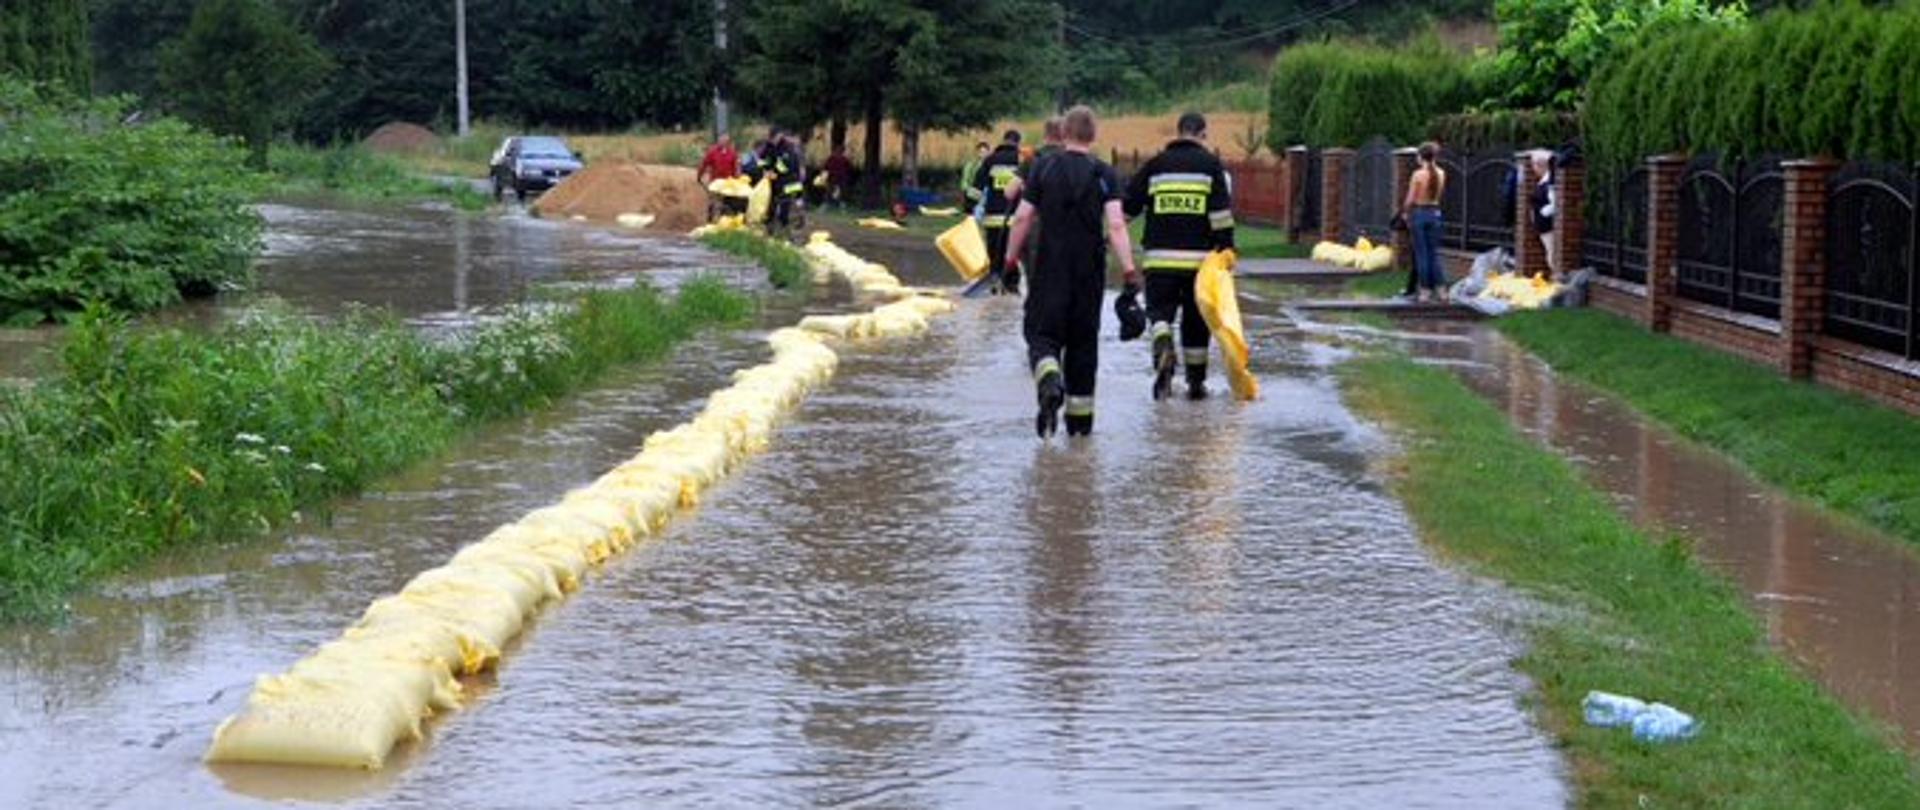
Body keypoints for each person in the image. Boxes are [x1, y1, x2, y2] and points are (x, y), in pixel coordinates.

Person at [1005, 105, 1137, 438]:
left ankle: (1049, 375)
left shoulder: (1042, 168)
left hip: (1049, 269)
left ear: (1064, 134)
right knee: (1083, 348)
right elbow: (1117, 225)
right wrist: (1130, 270)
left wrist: (1008, 261)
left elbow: (1022, 218)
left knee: (1041, 335)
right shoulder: (1104, 173)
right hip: (1089, 274)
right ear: (1093, 136)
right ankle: (1079, 431)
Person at [1123, 111, 1235, 401]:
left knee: (1159, 312)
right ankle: (1196, 385)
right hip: (1199, 264)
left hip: (1159, 260)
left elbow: (1128, 207)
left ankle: (1162, 341)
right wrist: (1226, 249)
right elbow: (1221, 215)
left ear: (1178, 131)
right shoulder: (1211, 166)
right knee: (1196, 323)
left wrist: (1112, 233)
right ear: (1202, 134)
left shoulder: (1156, 165)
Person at [972, 130, 1025, 294]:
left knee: (994, 252)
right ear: (1017, 143)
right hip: (1016, 218)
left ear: (1003, 141)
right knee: (1012, 253)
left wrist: (969, 208)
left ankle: (994, 281)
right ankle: (1012, 284)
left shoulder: (990, 160)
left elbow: (977, 188)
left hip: (993, 218)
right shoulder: (1022, 160)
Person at [1399, 141, 1448, 302]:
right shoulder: (1441, 173)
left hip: (1420, 213)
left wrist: (1405, 213)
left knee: (1422, 254)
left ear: (1421, 157)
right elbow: (1438, 196)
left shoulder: (1418, 175)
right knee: (1433, 253)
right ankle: (1442, 291)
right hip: (1435, 213)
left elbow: (1410, 199)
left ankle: (1425, 291)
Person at [1531, 149, 1559, 279]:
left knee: (1552, 255)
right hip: (1542, 226)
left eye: (1534, 165)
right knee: (1549, 253)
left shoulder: (1548, 183)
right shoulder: (1542, 182)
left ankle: (1556, 280)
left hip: (1547, 225)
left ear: (1541, 165)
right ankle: (1554, 277)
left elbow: (1554, 204)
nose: (1533, 169)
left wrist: (1543, 212)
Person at [822, 144, 853, 210]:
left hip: (834, 178)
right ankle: (841, 207)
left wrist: (824, 178)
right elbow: (849, 169)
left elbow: (825, 168)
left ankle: (827, 206)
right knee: (840, 193)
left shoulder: (831, 158)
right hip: (840, 179)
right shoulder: (844, 159)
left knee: (830, 192)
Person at [961, 141, 989, 210]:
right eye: (981, 152)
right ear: (977, 152)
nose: (983, 154)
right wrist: (970, 190)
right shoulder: (970, 165)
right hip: (973, 191)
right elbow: (964, 183)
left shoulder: (990, 164)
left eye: (985, 152)